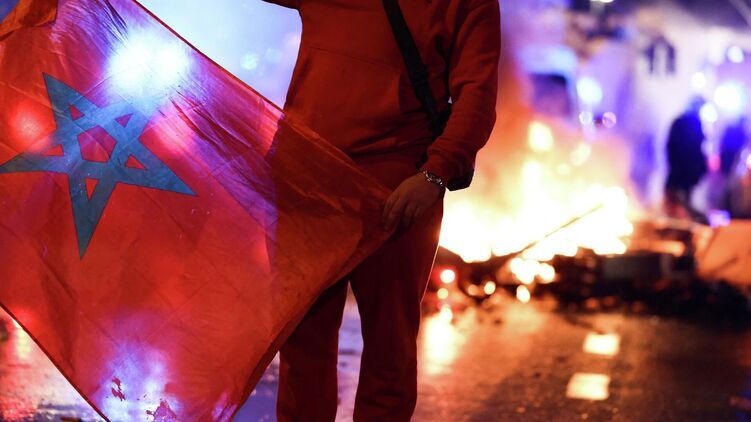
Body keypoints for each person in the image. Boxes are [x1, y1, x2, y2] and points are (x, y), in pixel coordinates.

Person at [262, 0, 501, 420]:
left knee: (389, 351)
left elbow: (477, 94)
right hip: (307, 180)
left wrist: (435, 174)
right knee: (302, 347)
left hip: (396, 188)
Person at [664, 98, 708, 220]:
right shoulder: (690, 123)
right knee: (676, 200)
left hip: (683, 171)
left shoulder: (682, 122)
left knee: (680, 201)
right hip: (683, 170)